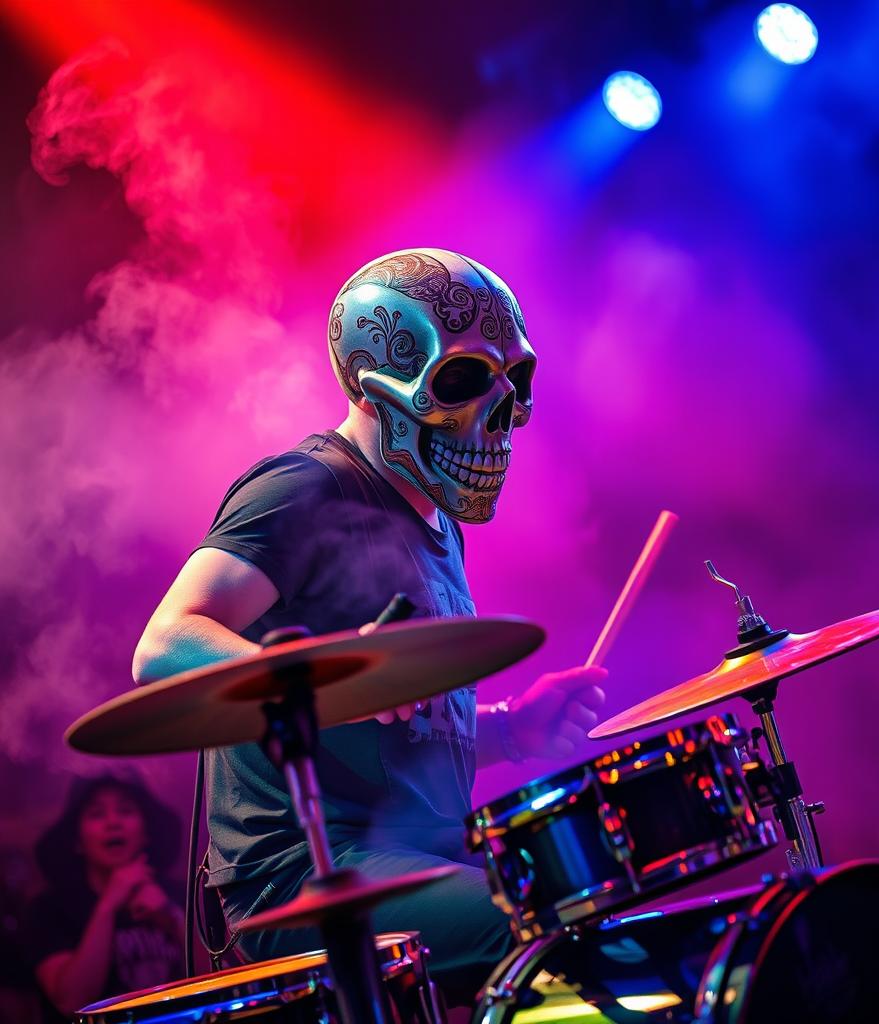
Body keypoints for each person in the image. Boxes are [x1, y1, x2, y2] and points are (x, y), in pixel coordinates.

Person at [132, 248, 608, 1005]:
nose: (502, 414)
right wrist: (324, 680)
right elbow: (163, 644)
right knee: (541, 922)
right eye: (463, 382)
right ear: (373, 384)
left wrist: (515, 728)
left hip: (411, 851)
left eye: (514, 384)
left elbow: (397, 732)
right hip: (307, 874)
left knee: (597, 888)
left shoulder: (436, 516)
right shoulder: (305, 487)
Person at [24, 773, 184, 1022]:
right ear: (77, 841)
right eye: (97, 814)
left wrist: (173, 918)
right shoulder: (48, 910)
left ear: (146, 832)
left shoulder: (180, 895)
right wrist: (108, 905)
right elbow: (72, 1001)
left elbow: (222, 978)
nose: (113, 822)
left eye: (126, 810)